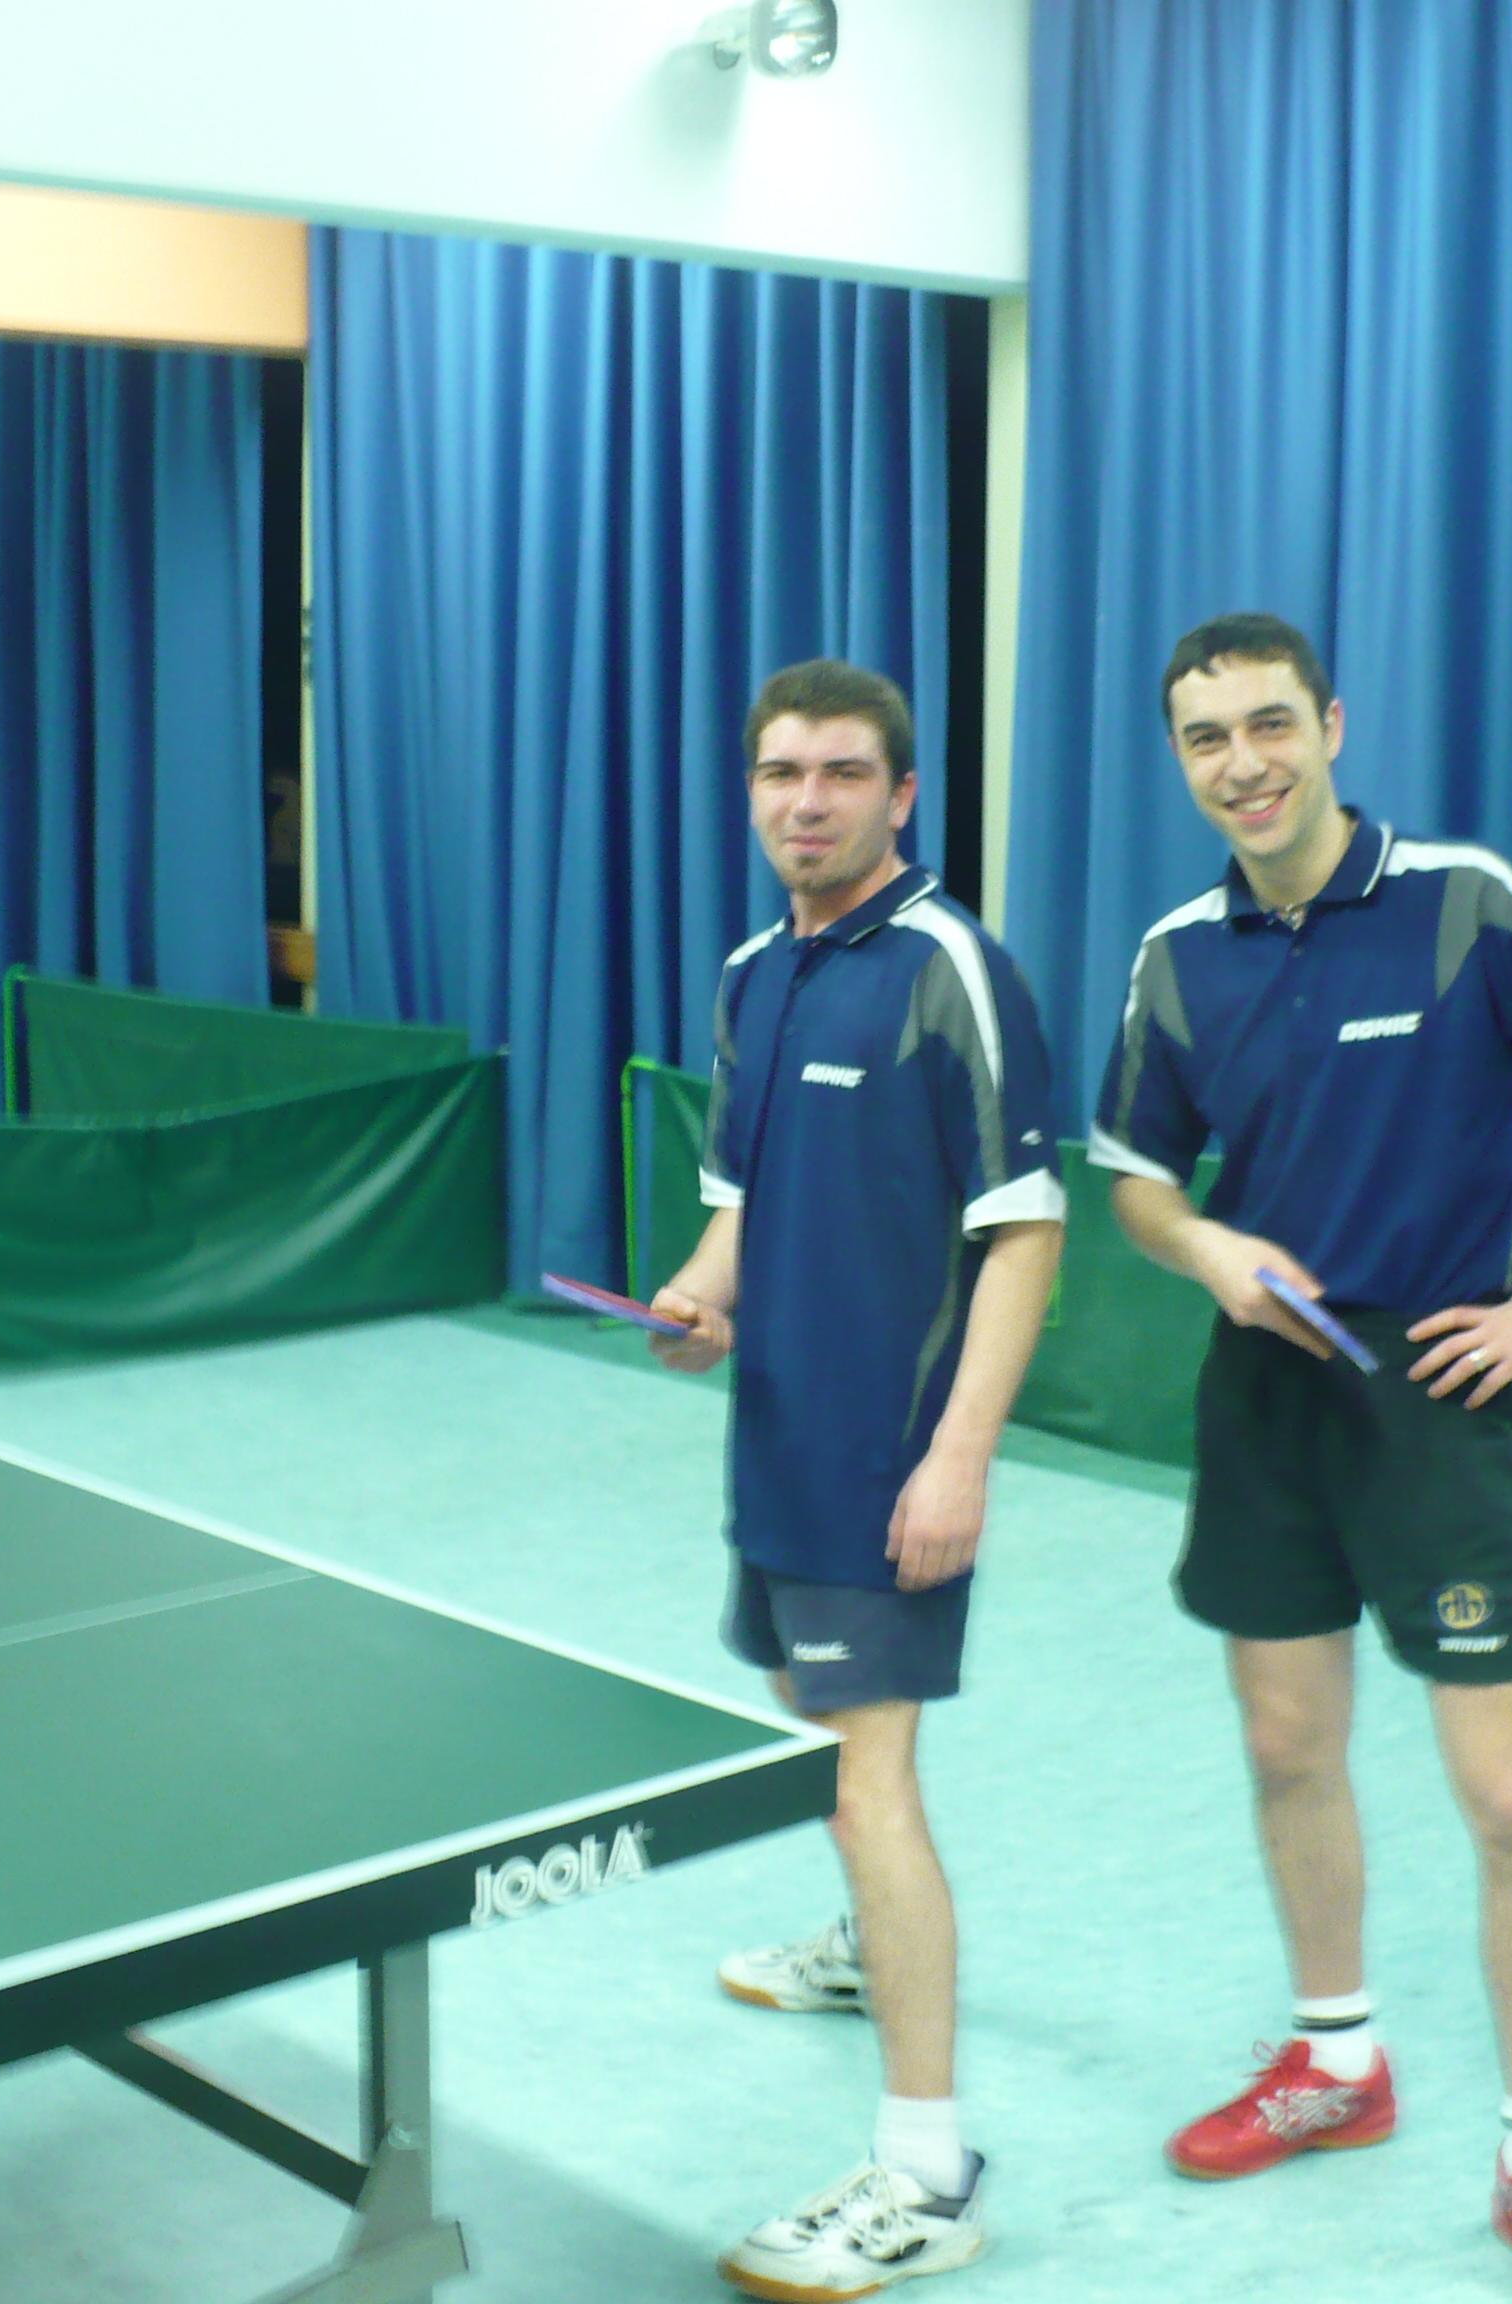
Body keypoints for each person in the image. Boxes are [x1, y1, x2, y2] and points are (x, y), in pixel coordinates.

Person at [1089, 613, 1512, 2304]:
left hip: (1440, 1401)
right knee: (1287, 1746)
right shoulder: (1177, 955)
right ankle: (1337, 2062)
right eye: (1208, 738)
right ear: (1181, 759)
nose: (1245, 764)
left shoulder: (1464, 903)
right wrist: (1204, 1248)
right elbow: (1134, 1178)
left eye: (1270, 724)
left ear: (1332, 725)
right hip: (1266, 1398)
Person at [648, 659, 1066, 2301]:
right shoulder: (756, 974)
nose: (804, 800)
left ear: (901, 795)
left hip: (890, 1460)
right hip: (778, 1440)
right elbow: (739, 1206)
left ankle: (928, 2172)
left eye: (839, 773)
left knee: (860, 1779)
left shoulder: (952, 968)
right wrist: (699, 1298)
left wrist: (959, 1457)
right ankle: (861, 1947)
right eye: (779, 773)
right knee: (812, 1722)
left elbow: (1025, 1231)